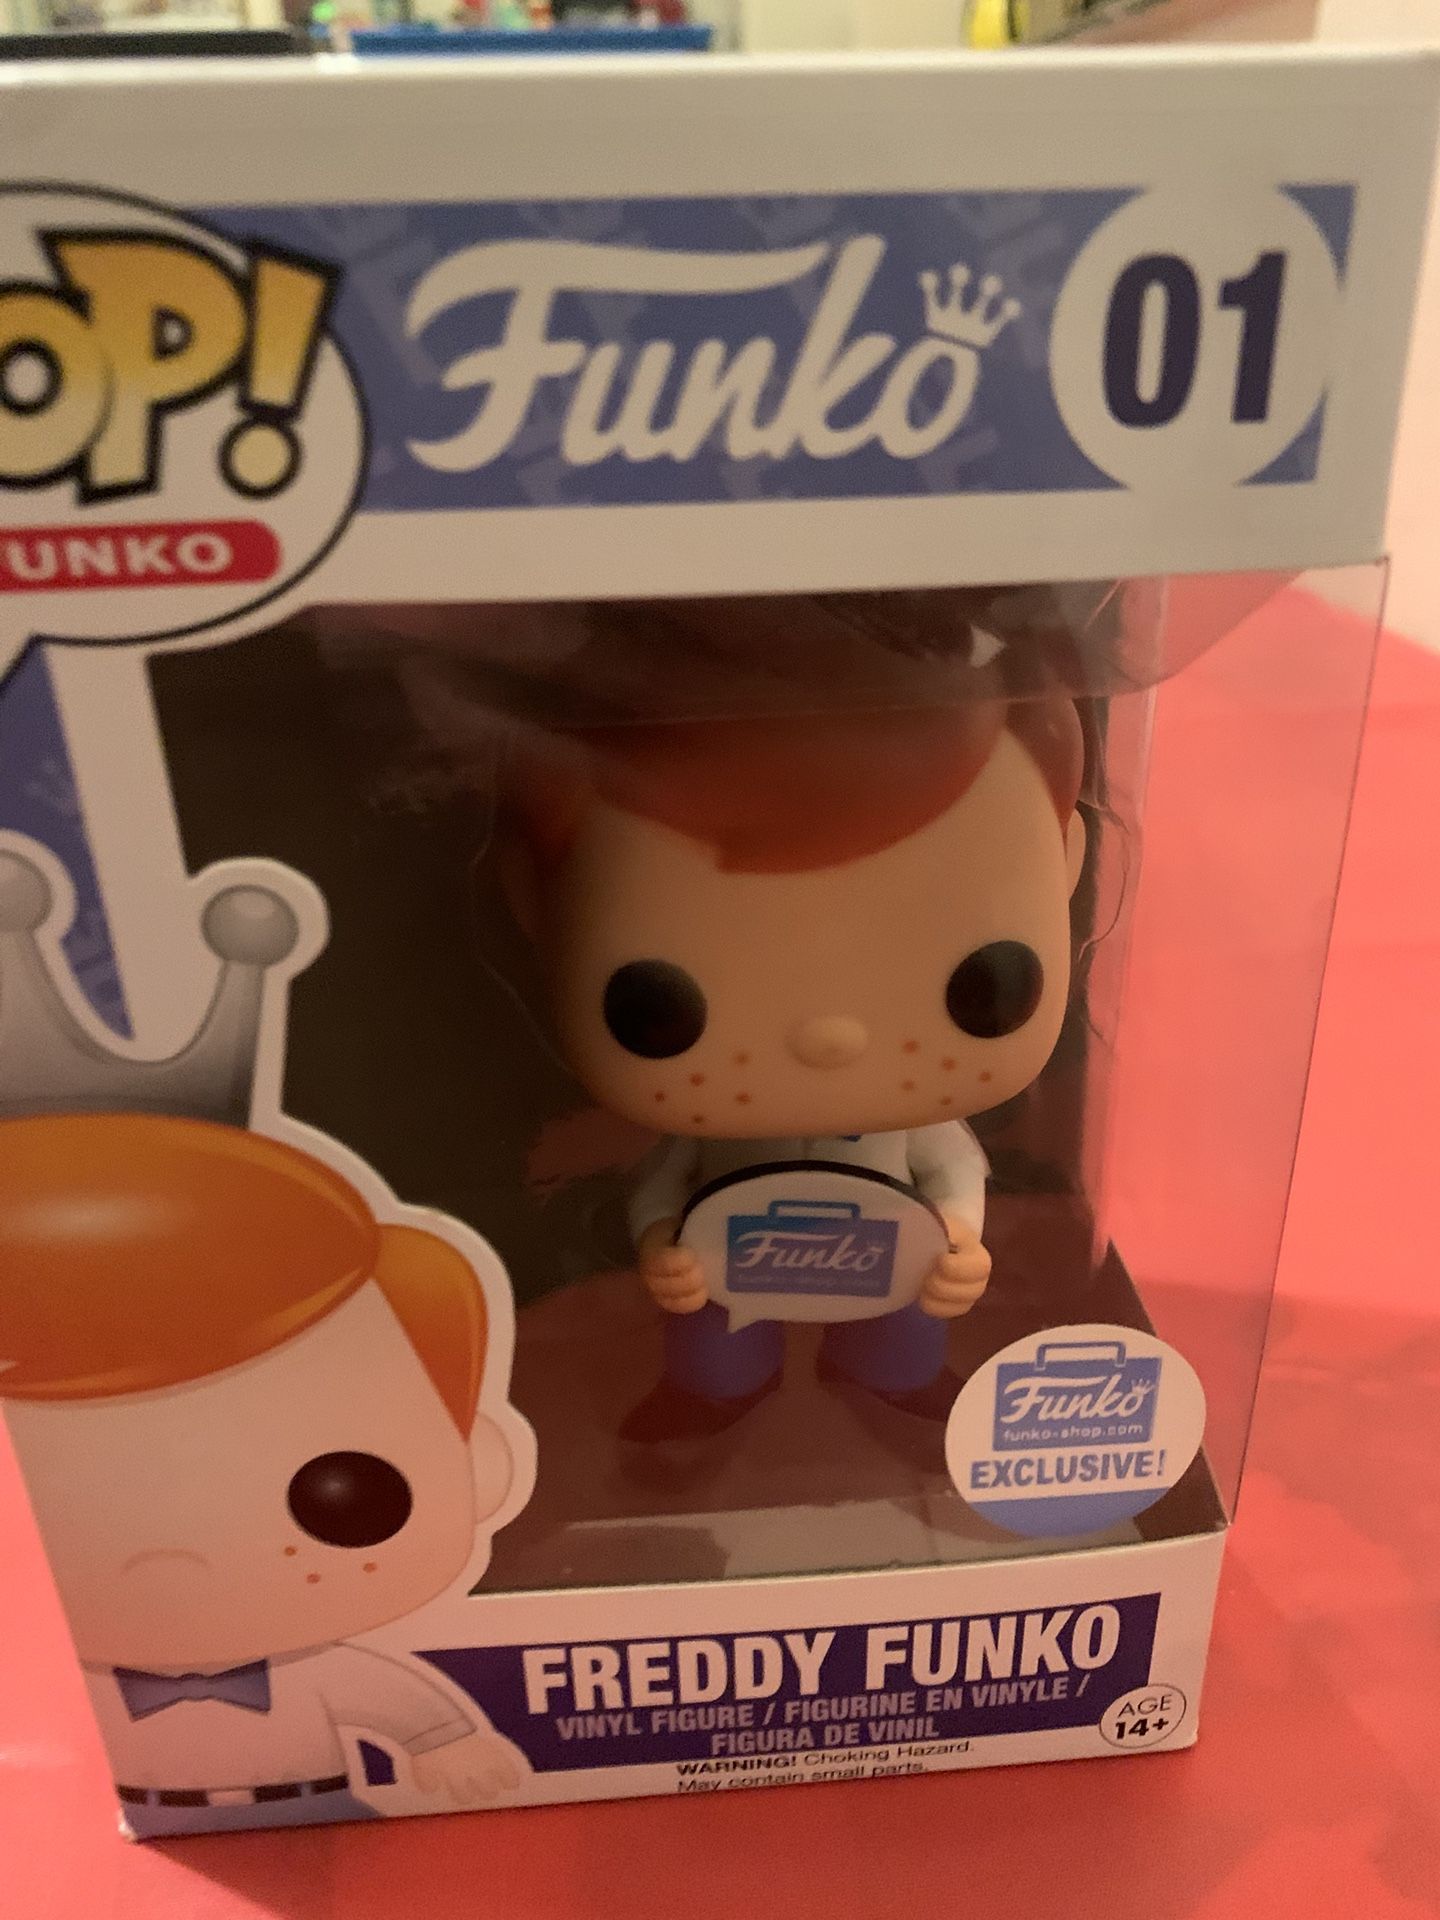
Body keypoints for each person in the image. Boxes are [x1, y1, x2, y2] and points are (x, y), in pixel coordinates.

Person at [500, 599, 1087, 1442]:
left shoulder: (911, 1121)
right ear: (539, 906)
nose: (831, 1041)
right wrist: (662, 1242)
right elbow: (662, 1181)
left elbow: (954, 1168)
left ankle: (890, 1374)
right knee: (713, 1331)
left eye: (979, 986)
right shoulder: (708, 1129)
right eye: (660, 1004)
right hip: (730, 1257)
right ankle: (712, 1393)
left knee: (903, 1326)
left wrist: (958, 1241)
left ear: (1066, 865)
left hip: (889, 1256)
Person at [0, 1112, 528, 1837]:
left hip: (331, 1817)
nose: (174, 1562)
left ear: (476, 1463)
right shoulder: (69, 1676)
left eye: (340, 1495)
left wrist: (446, 1745)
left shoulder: (314, 1668)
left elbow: (400, 1704)